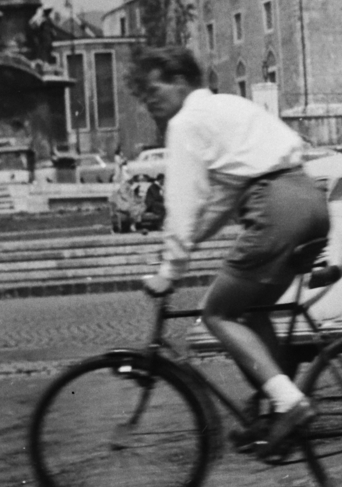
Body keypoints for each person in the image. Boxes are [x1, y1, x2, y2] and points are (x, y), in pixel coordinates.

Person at [135, 46, 329, 453]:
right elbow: (222, 200)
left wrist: (170, 270)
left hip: (275, 208)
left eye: (155, 89)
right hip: (309, 198)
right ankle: (274, 411)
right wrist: (184, 246)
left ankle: (290, 403)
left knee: (217, 313)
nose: (149, 100)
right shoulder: (226, 107)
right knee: (249, 309)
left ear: (181, 81)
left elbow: (184, 202)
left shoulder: (185, 122)